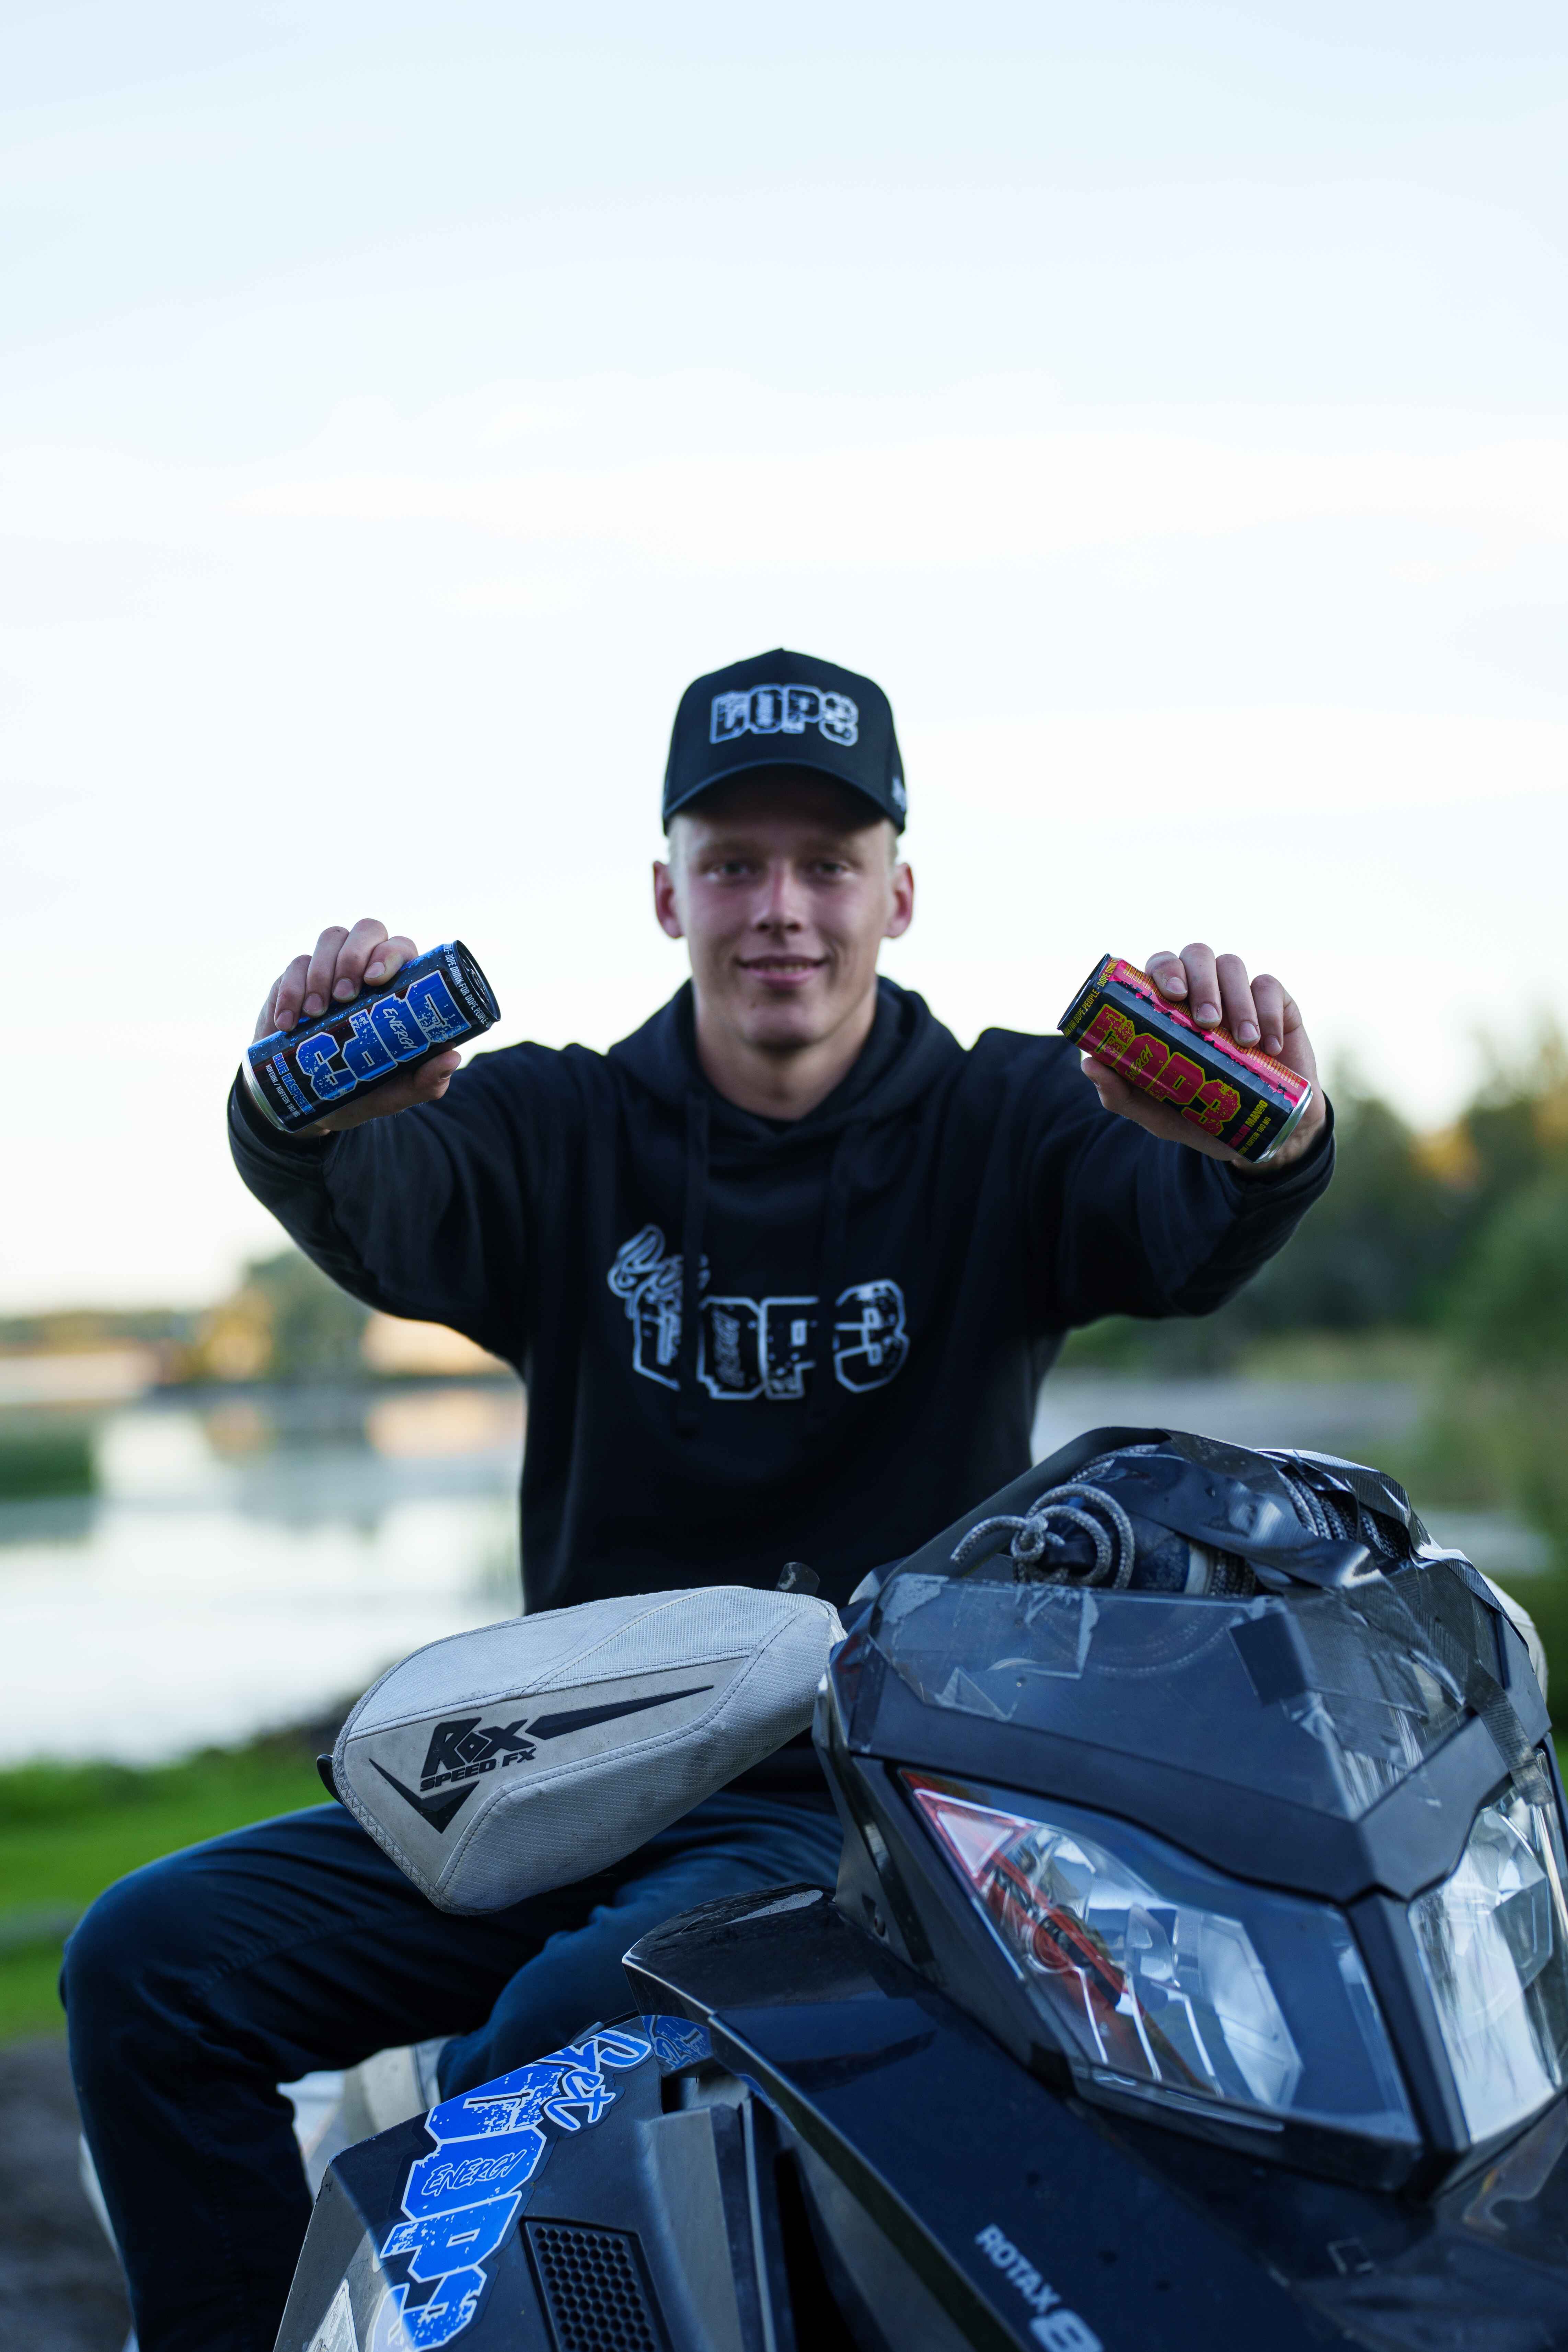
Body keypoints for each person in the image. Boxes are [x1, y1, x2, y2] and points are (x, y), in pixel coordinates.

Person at [64, 648, 1333, 2352]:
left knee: (559, 2036)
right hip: (545, 1771)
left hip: (853, 1802)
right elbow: (376, 1194)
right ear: (667, 895)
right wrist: (306, 1112)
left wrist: (1264, 1131)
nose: (782, 909)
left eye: (827, 863)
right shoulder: (555, 1125)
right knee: (148, 1965)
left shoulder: (1007, 1117)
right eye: (734, 864)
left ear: (900, 890)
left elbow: (1185, 1219)